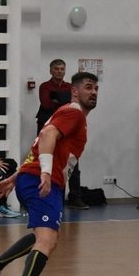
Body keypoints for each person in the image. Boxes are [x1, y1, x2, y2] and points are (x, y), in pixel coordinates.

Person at [0, 72, 99, 276]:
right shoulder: (73, 112)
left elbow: (38, 146)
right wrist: (44, 172)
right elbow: (46, 136)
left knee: (43, 237)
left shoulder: (74, 117)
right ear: (75, 92)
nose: (93, 92)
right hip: (42, 182)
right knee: (47, 241)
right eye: (88, 87)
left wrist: (17, 176)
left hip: (36, 179)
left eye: (96, 88)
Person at [35, 59, 89, 210]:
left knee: (72, 163)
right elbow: (46, 104)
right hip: (48, 127)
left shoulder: (69, 87)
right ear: (50, 70)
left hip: (67, 129)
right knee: (47, 162)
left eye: (62, 69)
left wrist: (58, 98)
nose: (59, 71)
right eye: (56, 69)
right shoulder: (45, 86)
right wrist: (62, 100)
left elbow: (73, 103)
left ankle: (75, 197)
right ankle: (48, 195)